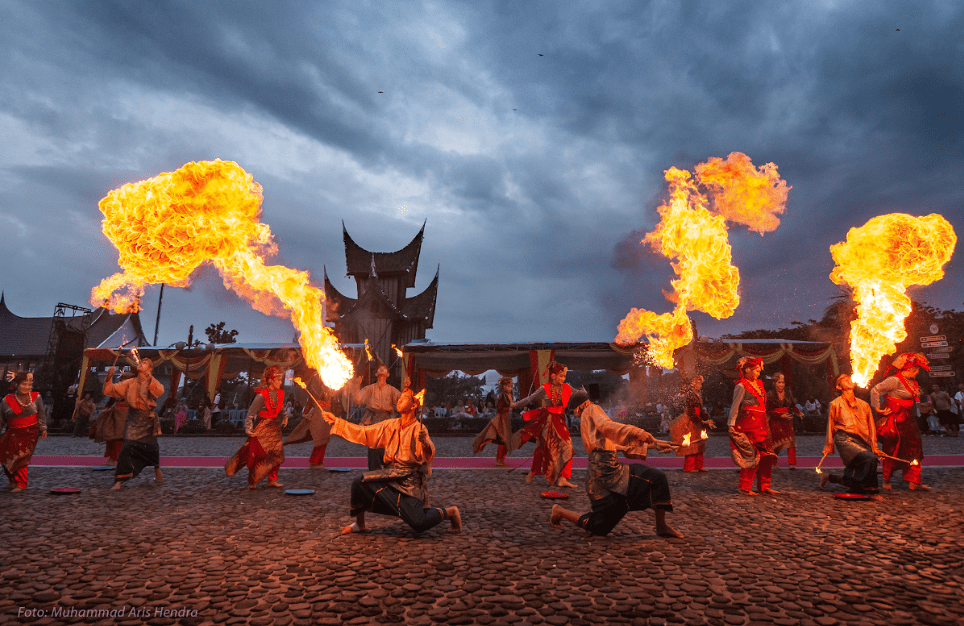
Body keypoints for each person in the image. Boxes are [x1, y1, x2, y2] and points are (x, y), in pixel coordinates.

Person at [323, 388, 462, 534]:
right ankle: (359, 524)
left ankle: (451, 512)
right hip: (389, 476)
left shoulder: (419, 428)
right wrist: (337, 421)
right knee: (359, 482)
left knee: (419, 524)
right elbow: (364, 432)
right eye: (399, 398)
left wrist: (425, 442)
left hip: (409, 482)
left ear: (414, 406)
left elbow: (426, 454)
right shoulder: (390, 425)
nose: (399, 400)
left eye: (404, 398)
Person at [548, 394, 682, 538]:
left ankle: (560, 511)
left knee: (599, 526)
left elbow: (616, 446)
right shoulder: (591, 409)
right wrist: (638, 431)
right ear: (585, 404)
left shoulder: (586, 423)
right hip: (610, 474)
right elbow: (606, 426)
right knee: (657, 477)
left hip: (598, 481)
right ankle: (661, 526)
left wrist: (657, 445)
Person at [512, 361, 586, 489]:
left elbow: (577, 392)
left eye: (564, 376)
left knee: (568, 446)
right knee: (542, 447)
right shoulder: (544, 388)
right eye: (560, 376)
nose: (563, 379)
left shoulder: (567, 387)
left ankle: (563, 478)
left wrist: (583, 392)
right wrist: (516, 404)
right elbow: (529, 399)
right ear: (553, 376)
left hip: (561, 421)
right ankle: (533, 472)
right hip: (547, 420)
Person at [103, 359, 165, 491]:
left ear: (149, 368)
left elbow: (158, 392)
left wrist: (149, 379)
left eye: (144, 363)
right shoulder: (130, 382)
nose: (140, 364)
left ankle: (157, 469)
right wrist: (109, 377)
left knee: (152, 447)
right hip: (134, 418)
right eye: (140, 362)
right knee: (127, 447)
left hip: (148, 418)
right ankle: (119, 481)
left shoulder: (151, 381)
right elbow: (110, 390)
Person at [871, 353, 929, 491]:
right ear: (909, 369)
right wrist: (878, 408)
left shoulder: (912, 381)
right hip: (895, 419)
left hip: (908, 419)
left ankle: (913, 481)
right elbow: (875, 390)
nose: (918, 372)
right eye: (916, 369)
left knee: (914, 448)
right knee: (892, 449)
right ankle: (886, 480)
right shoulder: (895, 380)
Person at [819, 374, 884, 498]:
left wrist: (874, 446)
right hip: (844, 439)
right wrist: (828, 446)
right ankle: (871, 492)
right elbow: (830, 426)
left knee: (870, 461)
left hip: (862, 440)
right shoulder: (835, 404)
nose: (848, 379)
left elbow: (871, 428)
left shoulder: (864, 405)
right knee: (869, 458)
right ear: (839, 386)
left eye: (849, 377)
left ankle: (833, 478)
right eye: (843, 379)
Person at [225, 366, 288, 489]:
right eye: (278, 380)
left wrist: (285, 417)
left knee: (277, 454)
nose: (280, 382)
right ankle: (253, 481)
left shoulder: (279, 394)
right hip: (263, 427)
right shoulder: (261, 396)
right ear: (270, 381)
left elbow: (281, 408)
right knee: (259, 455)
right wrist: (248, 429)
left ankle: (272, 480)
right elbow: (250, 413)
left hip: (275, 428)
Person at [728, 357, 777, 496]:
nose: (758, 373)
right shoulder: (741, 386)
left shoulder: (759, 384)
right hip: (748, 424)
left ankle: (764, 485)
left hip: (761, 423)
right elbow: (735, 407)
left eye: (759, 371)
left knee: (766, 455)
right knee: (752, 455)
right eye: (756, 370)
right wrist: (731, 424)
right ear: (747, 369)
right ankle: (744, 487)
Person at [0, 372, 47, 492]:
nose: (27, 387)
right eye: (24, 384)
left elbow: (41, 414)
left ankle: (21, 483)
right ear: (16, 384)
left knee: (21, 457)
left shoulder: (36, 397)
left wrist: (43, 428)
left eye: (29, 384)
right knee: (6, 457)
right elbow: (1, 418)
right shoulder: (6, 400)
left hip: (30, 432)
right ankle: (12, 480)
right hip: (12, 432)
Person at [351, 365, 401, 471]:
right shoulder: (370, 389)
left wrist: (407, 389)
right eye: (380, 371)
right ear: (376, 374)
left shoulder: (392, 390)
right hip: (372, 419)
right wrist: (356, 386)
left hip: (386, 419)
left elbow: (402, 401)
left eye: (384, 372)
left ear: (387, 375)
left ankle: (388, 467)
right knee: (373, 445)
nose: (382, 374)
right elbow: (357, 399)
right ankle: (374, 470)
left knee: (387, 445)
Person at [670, 375, 713, 472]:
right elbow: (690, 412)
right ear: (693, 384)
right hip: (691, 421)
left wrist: (705, 418)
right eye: (699, 383)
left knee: (700, 443)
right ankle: (689, 467)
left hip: (698, 421)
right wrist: (701, 420)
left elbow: (700, 409)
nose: (700, 386)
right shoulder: (690, 395)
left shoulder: (697, 394)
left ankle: (698, 465)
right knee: (692, 444)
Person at [472, 377, 516, 466]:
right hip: (501, 420)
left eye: (510, 386)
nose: (509, 388)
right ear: (503, 386)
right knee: (502, 439)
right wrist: (509, 407)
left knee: (506, 439)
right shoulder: (502, 396)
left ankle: (501, 459)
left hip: (506, 419)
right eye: (507, 386)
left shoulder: (510, 396)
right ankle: (499, 460)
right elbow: (499, 409)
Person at [767, 373, 802, 468]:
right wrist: (780, 416)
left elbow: (791, 406)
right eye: (779, 382)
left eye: (783, 382)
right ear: (774, 383)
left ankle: (792, 463)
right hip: (776, 420)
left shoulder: (787, 392)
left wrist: (798, 412)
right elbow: (769, 410)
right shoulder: (770, 394)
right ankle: (774, 462)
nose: (781, 384)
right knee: (776, 443)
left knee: (791, 442)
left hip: (787, 420)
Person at [285, 397, 331, 469]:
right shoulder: (316, 388)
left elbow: (334, 403)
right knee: (319, 439)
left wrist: (337, 414)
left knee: (325, 439)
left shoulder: (329, 390)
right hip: (318, 415)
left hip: (327, 415)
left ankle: (319, 461)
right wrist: (305, 413)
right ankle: (314, 462)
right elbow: (310, 402)